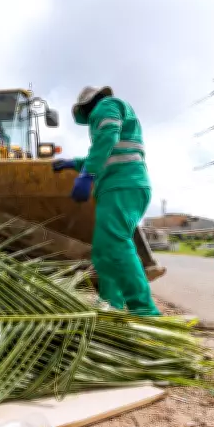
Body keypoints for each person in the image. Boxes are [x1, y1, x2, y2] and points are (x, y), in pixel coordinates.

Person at [52, 86, 160, 316]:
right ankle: (110, 304)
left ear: (88, 105)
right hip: (118, 187)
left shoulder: (107, 106)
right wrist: (74, 163)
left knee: (115, 244)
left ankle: (145, 311)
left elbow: (107, 138)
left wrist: (88, 173)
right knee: (102, 251)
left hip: (123, 185)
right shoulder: (109, 111)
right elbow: (108, 150)